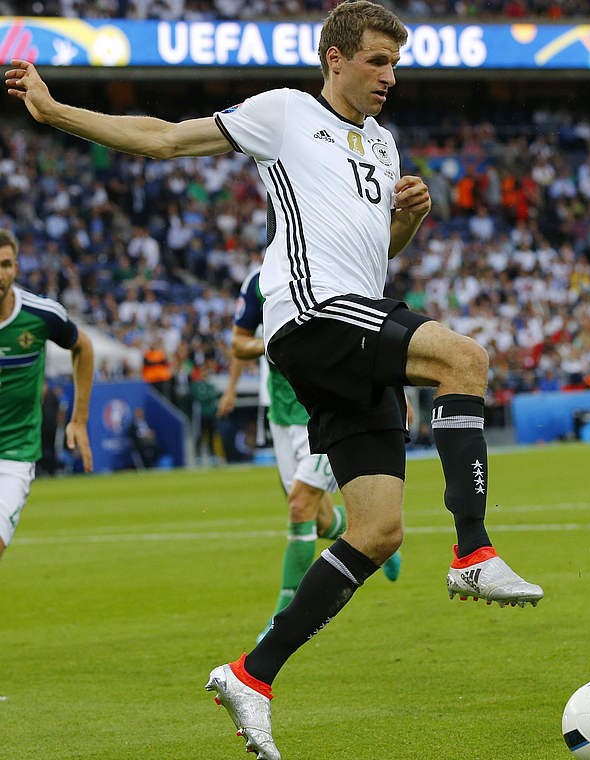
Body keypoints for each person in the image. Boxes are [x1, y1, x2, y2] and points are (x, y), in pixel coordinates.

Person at [5, 3, 542, 757]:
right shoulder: (284, 113)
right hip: (312, 317)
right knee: (465, 358)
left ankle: (252, 676)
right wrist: (54, 110)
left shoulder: (384, 147)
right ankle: (473, 552)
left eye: (395, 63)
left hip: (353, 310)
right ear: (335, 57)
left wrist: (408, 221)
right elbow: (162, 139)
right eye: (377, 61)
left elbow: (375, 260)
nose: (390, 77)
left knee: (378, 530)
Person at [222, 267, 401, 642]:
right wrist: (271, 342)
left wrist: (393, 388)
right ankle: (374, 538)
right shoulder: (259, 283)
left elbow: (370, 330)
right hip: (281, 418)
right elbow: (238, 343)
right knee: (316, 520)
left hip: (324, 411)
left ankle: (280, 618)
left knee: (299, 504)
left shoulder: (326, 270)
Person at [0, 229, 94, 562]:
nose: (1, 274)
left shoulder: (40, 315)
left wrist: (79, 420)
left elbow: (82, 346)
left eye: (7, 265)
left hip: (13, 453)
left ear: (16, 267)